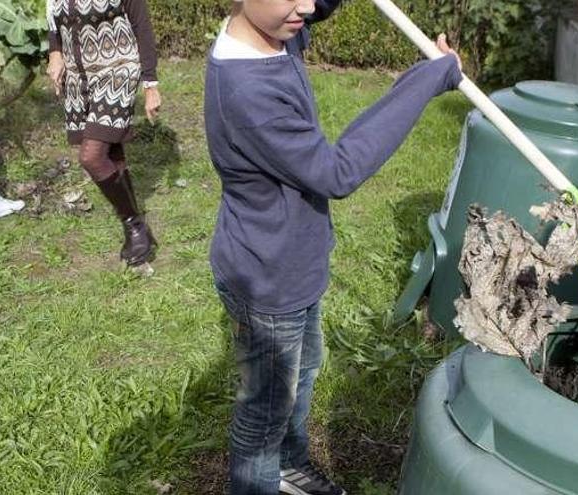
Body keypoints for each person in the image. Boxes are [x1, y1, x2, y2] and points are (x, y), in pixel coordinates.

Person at [204, 1, 461, 494]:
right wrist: (426, 80)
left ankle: (290, 467)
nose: (306, 5)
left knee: (300, 376)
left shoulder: (272, 31)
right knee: (264, 414)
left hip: (292, 261)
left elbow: (316, 10)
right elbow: (336, 172)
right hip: (268, 277)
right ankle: (261, 479)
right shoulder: (248, 91)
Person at [45, 0, 162, 267]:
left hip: (117, 70)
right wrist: (55, 52)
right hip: (78, 77)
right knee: (110, 148)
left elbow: (141, 25)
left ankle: (134, 225)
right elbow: (52, 17)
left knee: (92, 156)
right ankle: (137, 229)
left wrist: (150, 84)